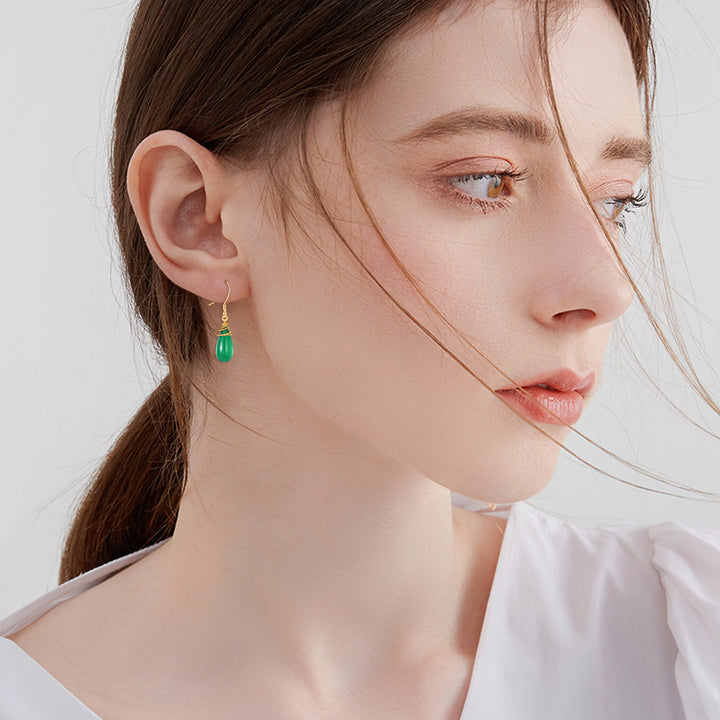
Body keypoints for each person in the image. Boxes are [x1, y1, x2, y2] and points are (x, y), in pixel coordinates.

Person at [1, 0, 719, 717]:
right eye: (485, 180)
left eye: (618, 200)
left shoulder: (691, 641)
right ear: (200, 219)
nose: (608, 289)